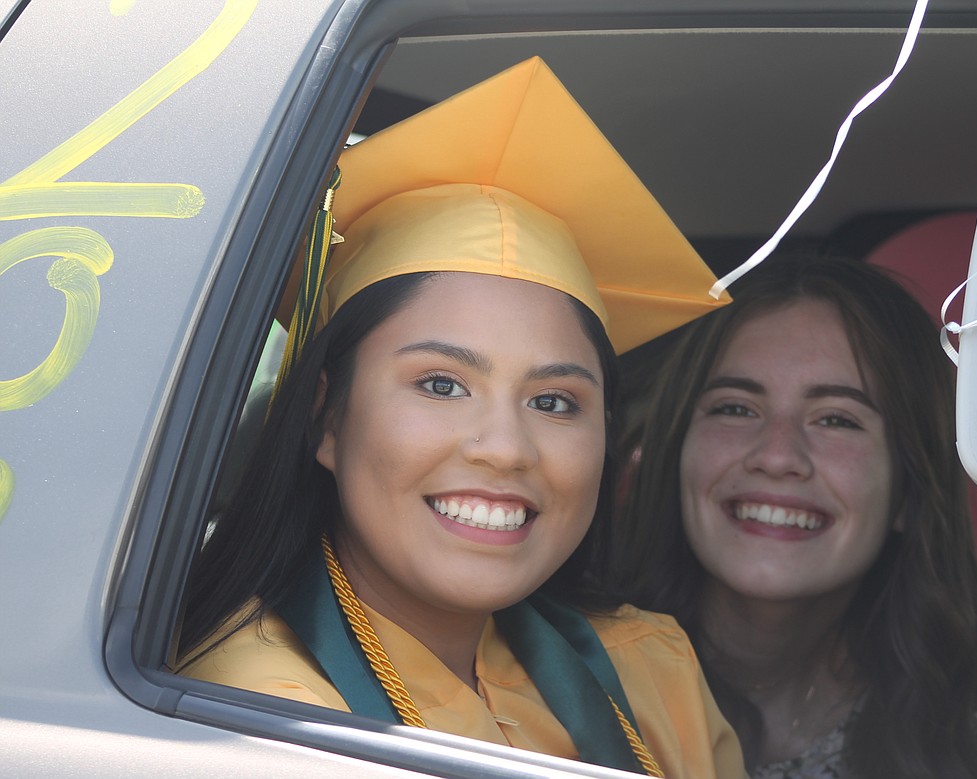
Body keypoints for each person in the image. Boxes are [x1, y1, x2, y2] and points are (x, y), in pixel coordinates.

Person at [177, 57, 744, 779]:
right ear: (326, 417)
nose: (505, 448)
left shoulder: (651, 671)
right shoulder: (256, 722)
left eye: (554, 401)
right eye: (441, 384)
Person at [611, 256, 977, 779]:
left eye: (836, 419)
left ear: (908, 491)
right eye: (735, 408)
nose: (777, 456)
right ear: (675, 453)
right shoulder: (556, 692)